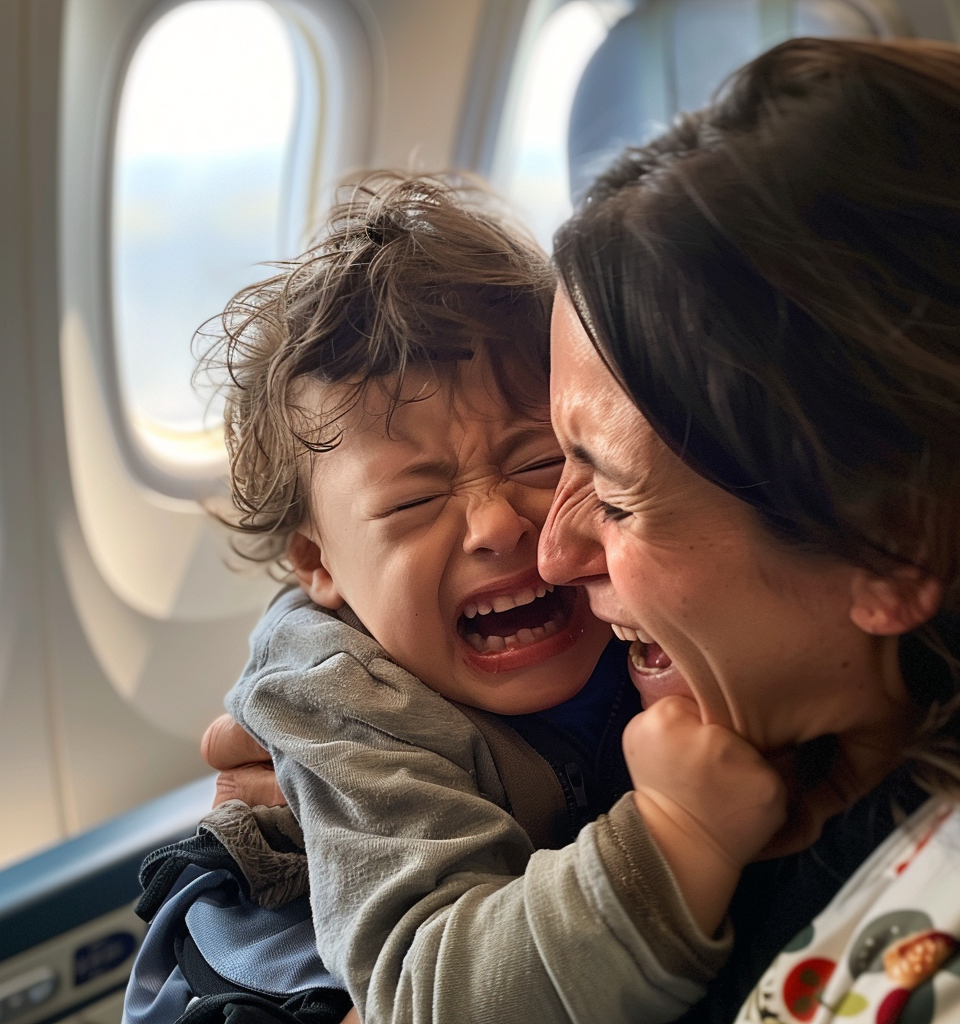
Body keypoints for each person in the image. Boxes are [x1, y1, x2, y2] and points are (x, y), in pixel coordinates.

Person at [209, 37, 960, 1024]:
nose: (540, 545)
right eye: (414, 500)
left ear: (888, 547)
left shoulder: (947, 941)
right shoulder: (362, 706)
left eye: (599, 485)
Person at [126, 171, 787, 1024]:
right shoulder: (349, 702)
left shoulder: (640, 587)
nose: (496, 525)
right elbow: (429, 996)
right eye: (410, 503)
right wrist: (675, 838)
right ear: (318, 567)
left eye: (540, 461)